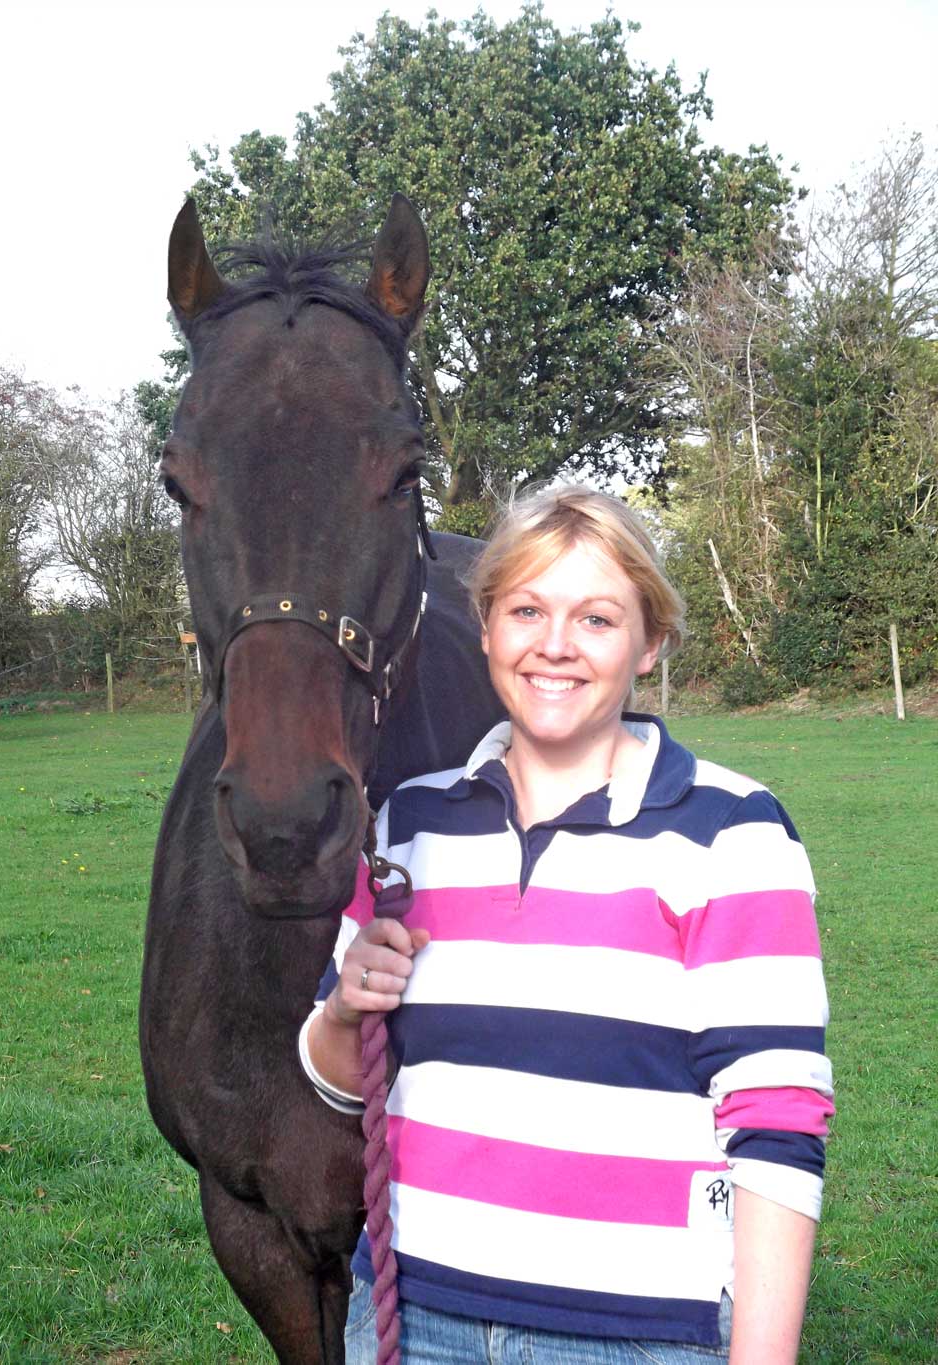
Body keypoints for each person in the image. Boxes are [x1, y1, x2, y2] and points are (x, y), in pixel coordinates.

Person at [300, 485, 833, 1364]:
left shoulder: (732, 830)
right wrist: (344, 1013)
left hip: (635, 1337)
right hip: (413, 1317)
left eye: (596, 618)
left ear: (649, 643)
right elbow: (336, 1079)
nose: (555, 645)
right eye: (527, 610)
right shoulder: (406, 827)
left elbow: (778, 1122)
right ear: (486, 631)